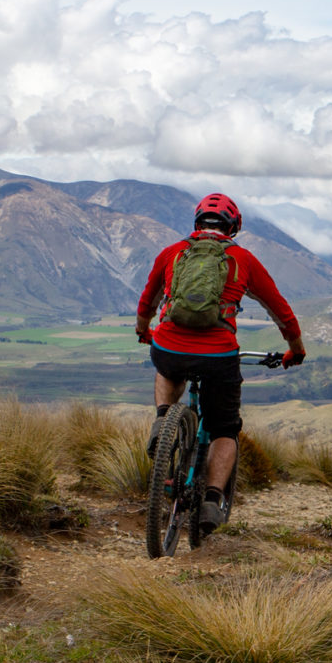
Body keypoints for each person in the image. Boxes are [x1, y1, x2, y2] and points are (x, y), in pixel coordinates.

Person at [135, 192, 305, 534]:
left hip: (170, 346)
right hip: (219, 356)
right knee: (224, 428)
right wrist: (295, 349)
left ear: (197, 223)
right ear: (234, 227)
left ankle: (163, 421)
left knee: (167, 364)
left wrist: (144, 331)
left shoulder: (172, 253)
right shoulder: (243, 260)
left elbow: (148, 301)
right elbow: (280, 311)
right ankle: (212, 500)